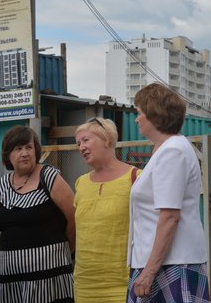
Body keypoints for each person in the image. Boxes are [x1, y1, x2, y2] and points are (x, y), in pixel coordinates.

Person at [127, 83, 209, 302]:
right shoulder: (166, 149)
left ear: (154, 115)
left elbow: (169, 216)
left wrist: (149, 272)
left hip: (170, 264)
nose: (137, 119)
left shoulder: (172, 151)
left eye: (140, 113)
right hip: (163, 261)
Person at [0, 125, 76, 303]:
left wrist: (66, 250)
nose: (25, 153)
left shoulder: (50, 177)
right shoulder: (2, 186)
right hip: (10, 280)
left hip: (48, 279)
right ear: (8, 155)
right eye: (18, 148)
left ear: (36, 150)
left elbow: (74, 219)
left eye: (29, 147)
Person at [73, 117, 140, 303]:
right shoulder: (81, 183)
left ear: (107, 139)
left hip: (124, 284)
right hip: (84, 284)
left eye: (86, 140)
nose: (81, 147)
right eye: (78, 143)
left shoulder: (136, 178)